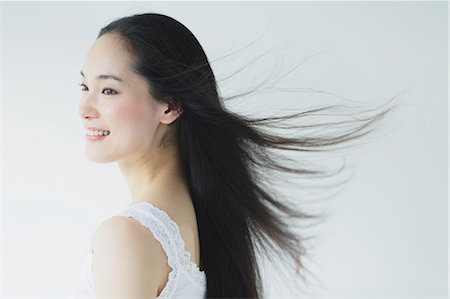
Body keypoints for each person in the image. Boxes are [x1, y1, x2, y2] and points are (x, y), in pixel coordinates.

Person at [72, 12, 400, 298]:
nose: (84, 109)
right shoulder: (194, 216)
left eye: (109, 90)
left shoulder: (126, 236)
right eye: (84, 87)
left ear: (169, 105)